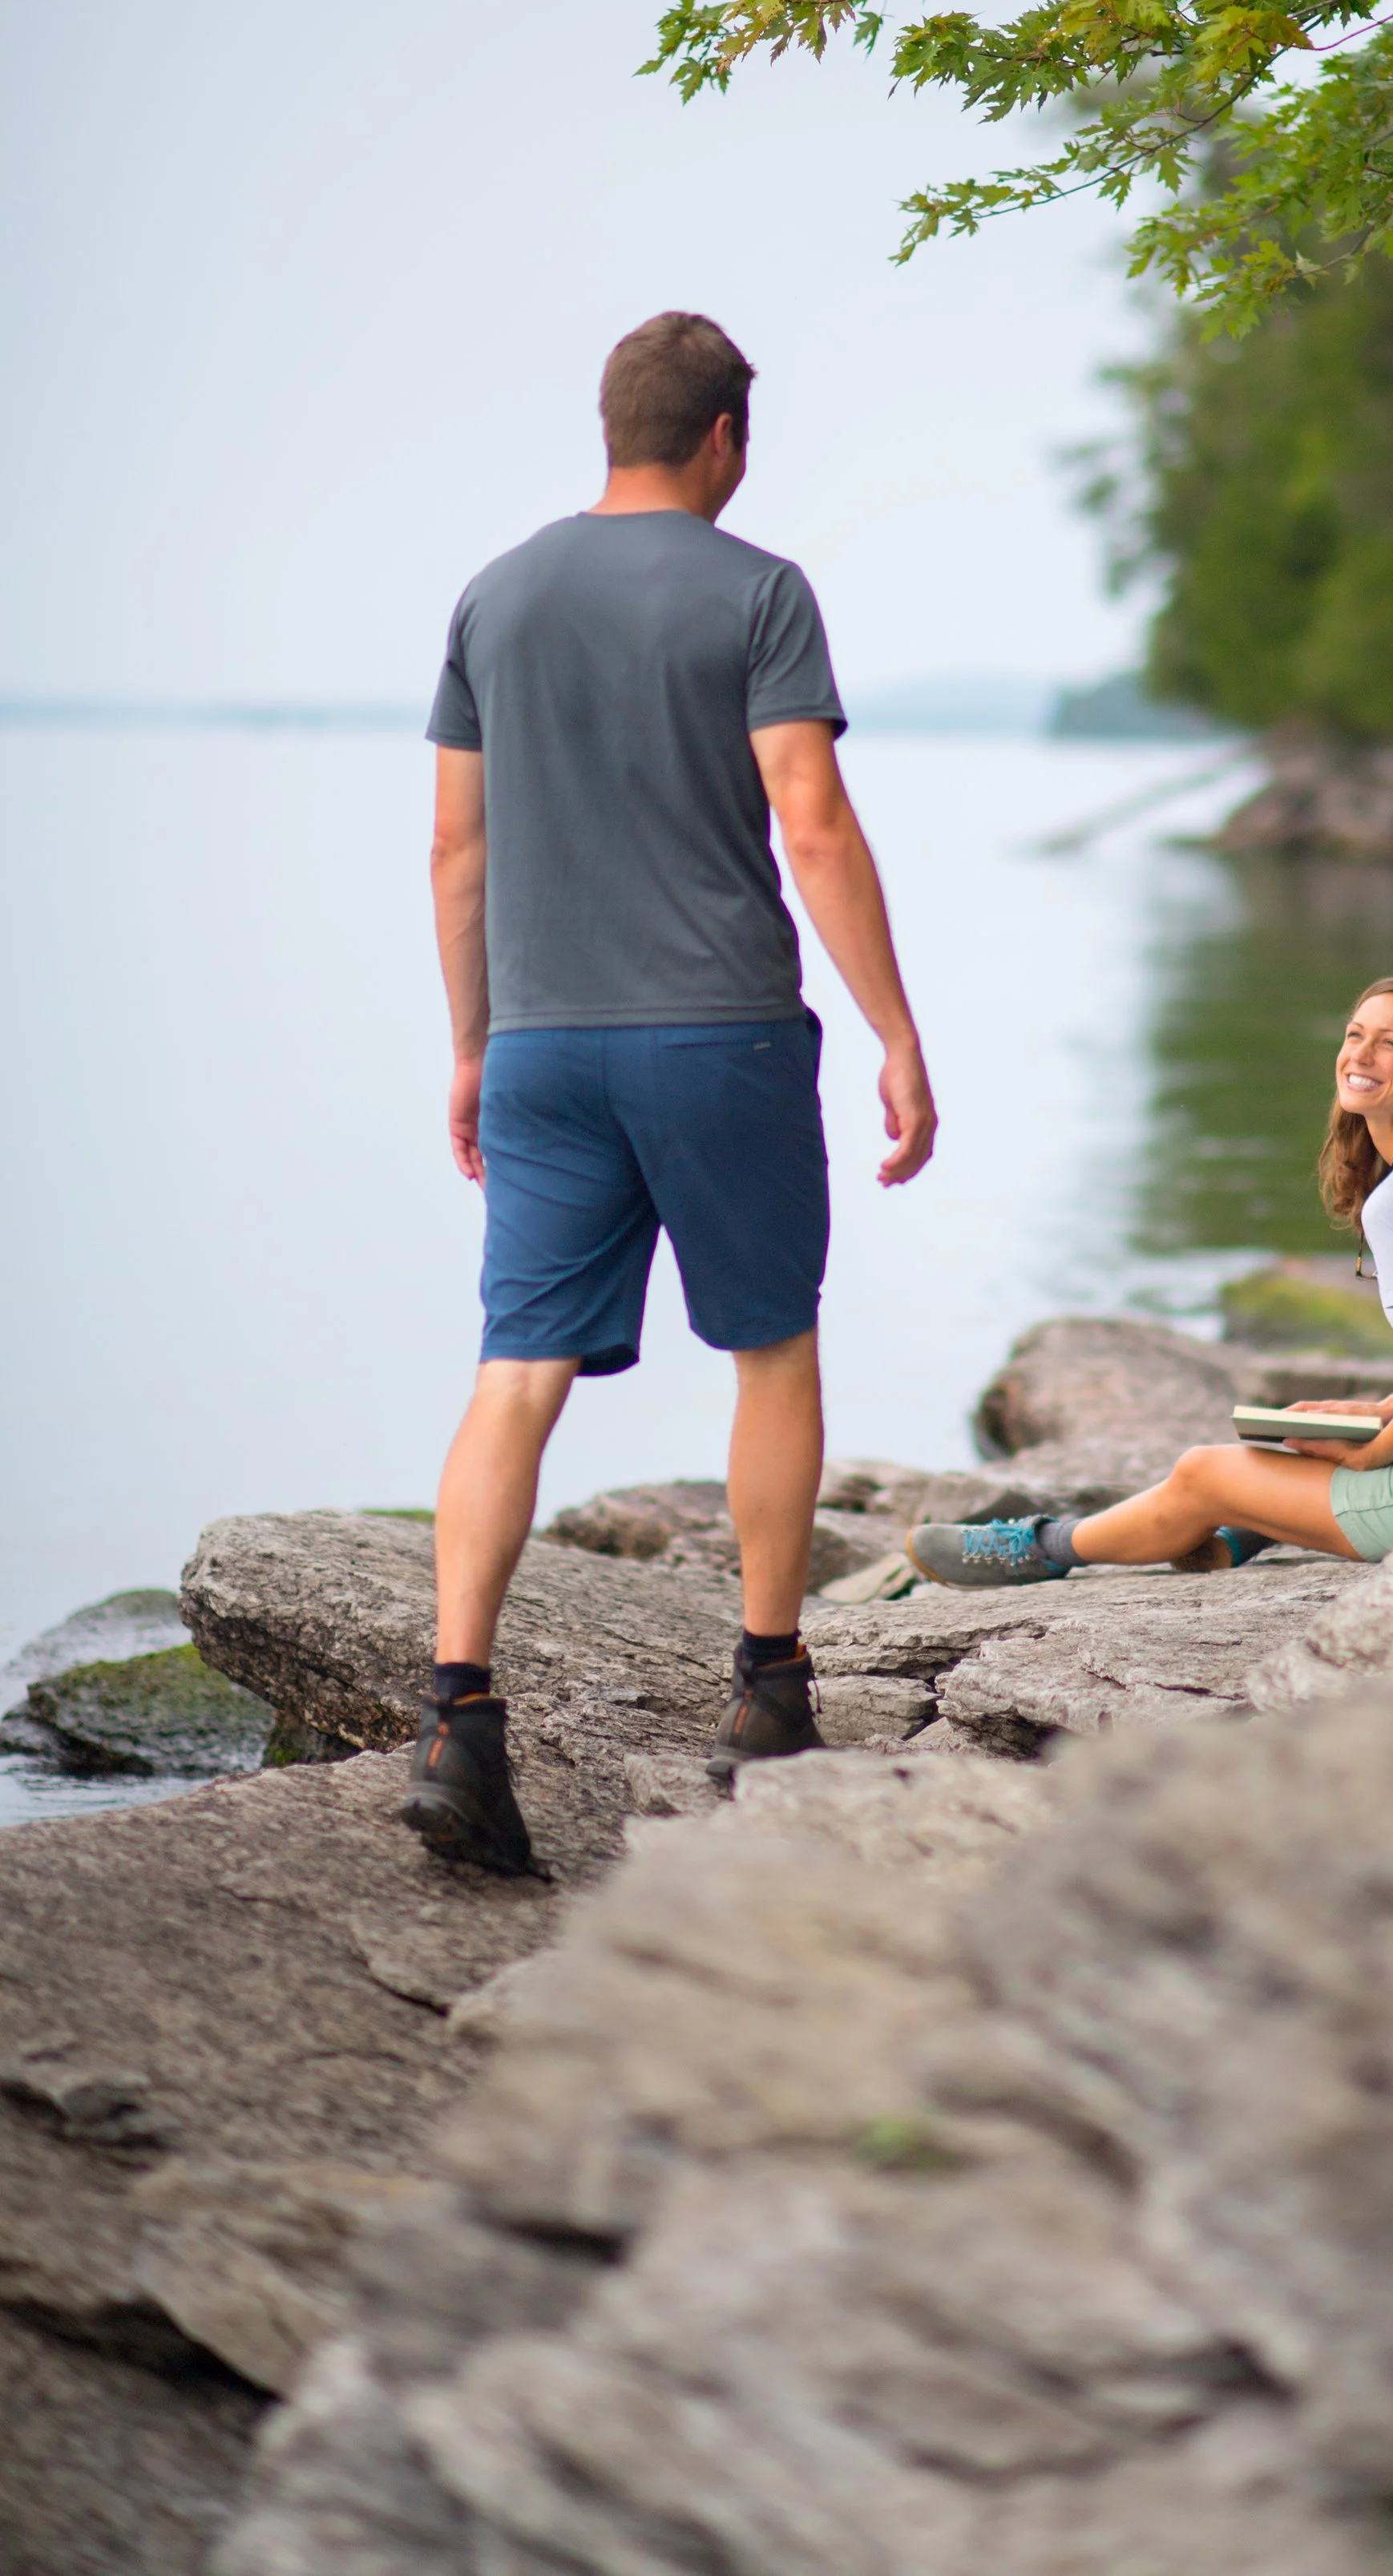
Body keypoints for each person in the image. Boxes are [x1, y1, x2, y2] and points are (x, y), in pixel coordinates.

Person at [403, 309, 936, 1873]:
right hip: (718, 1034)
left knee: (514, 1373)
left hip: (546, 1045)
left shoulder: (493, 597)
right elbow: (811, 820)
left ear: (610, 426)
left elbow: (454, 848)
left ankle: (457, 1717)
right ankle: (767, 1689)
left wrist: (471, 1044)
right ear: (722, 439)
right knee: (769, 1353)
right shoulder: (758, 591)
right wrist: (896, 1029)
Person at [907, 974, 1393, 1586]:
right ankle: (1243, 1531)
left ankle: (1035, 1549)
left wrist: (1370, 1455)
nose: (1359, 1055)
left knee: (1202, 1473)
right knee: (1308, 1431)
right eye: (1355, 1036)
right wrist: (1378, 1411)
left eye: (1389, 1044)